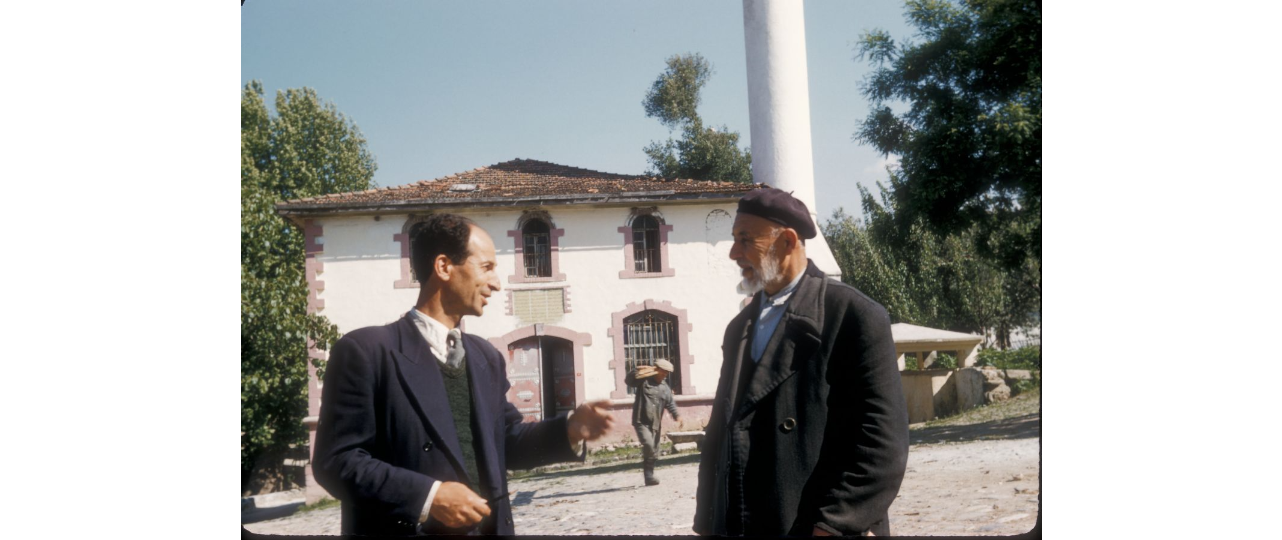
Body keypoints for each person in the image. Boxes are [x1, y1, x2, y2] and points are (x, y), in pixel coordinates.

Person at [312, 213, 615, 536]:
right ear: (443, 267)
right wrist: (429, 497)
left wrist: (570, 428)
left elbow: (506, 441)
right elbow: (337, 461)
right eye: (486, 267)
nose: (497, 283)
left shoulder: (485, 357)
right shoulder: (367, 351)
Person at [693, 187, 909, 537]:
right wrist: (709, 520)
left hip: (817, 523)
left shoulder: (852, 314)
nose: (733, 253)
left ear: (787, 241)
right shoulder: (739, 328)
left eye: (746, 239)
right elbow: (721, 430)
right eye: (734, 239)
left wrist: (835, 522)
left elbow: (882, 439)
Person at [624, 359, 680, 486]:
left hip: (655, 423)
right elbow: (629, 381)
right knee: (649, 445)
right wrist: (637, 370)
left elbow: (670, 404)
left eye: (667, 373)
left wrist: (677, 416)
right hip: (641, 420)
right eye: (663, 371)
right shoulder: (643, 381)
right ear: (656, 370)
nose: (664, 374)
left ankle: (649, 476)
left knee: (654, 449)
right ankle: (649, 475)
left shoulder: (665, 388)